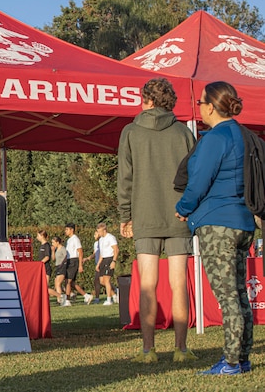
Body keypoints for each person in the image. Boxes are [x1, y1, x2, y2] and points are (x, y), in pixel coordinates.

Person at [176, 81, 256, 375]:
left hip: (217, 224)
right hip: (242, 222)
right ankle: (242, 357)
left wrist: (183, 208)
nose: (198, 109)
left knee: (227, 297)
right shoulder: (243, 134)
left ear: (211, 106)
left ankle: (231, 361)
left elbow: (199, 181)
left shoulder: (214, 138)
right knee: (239, 294)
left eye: (199, 104)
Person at [117, 77, 197, 364]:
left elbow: (125, 180)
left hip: (145, 213)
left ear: (147, 100)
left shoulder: (130, 132)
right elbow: (194, 176)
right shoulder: (184, 133)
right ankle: (181, 349)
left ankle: (148, 351)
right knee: (179, 283)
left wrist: (125, 216)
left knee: (147, 284)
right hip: (180, 214)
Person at [63, 223, 93, 305]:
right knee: (71, 282)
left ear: (72, 230)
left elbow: (80, 252)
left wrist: (80, 265)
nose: (65, 231)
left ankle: (67, 300)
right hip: (69, 261)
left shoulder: (75, 239)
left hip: (74, 261)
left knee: (68, 281)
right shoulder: (68, 240)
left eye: (67, 229)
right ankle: (86, 295)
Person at [95, 223, 119, 306]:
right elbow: (102, 253)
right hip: (103, 260)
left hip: (109, 259)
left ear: (104, 230)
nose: (99, 233)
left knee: (106, 280)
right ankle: (115, 292)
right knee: (101, 281)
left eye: (100, 231)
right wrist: (98, 264)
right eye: (98, 232)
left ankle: (109, 299)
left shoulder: (110, 238)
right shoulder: (101, 240)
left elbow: (116, 250)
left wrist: (114, 261)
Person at [36, 230, 61, 301]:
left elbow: (47, 257)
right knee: (42, 287)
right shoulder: (41, 246)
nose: (37, 237)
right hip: (42, 268)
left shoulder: (47, 245)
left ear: (42, 236)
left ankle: (60, 296)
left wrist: (40, 263)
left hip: (46, 268)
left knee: (44, 288)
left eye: (38, 236)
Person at [51, 236, 69, 306]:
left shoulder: (62, 248)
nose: (52, 244)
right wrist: (53, 251)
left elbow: (66, 257)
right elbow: (53, 259)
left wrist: (62, 264)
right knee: (57, 284)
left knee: (58, 283)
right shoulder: (56, 249)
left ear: (57, 242)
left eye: (53, 242)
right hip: (57, 266)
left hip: (62, 267)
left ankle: (60, 299)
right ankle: (67, 295)